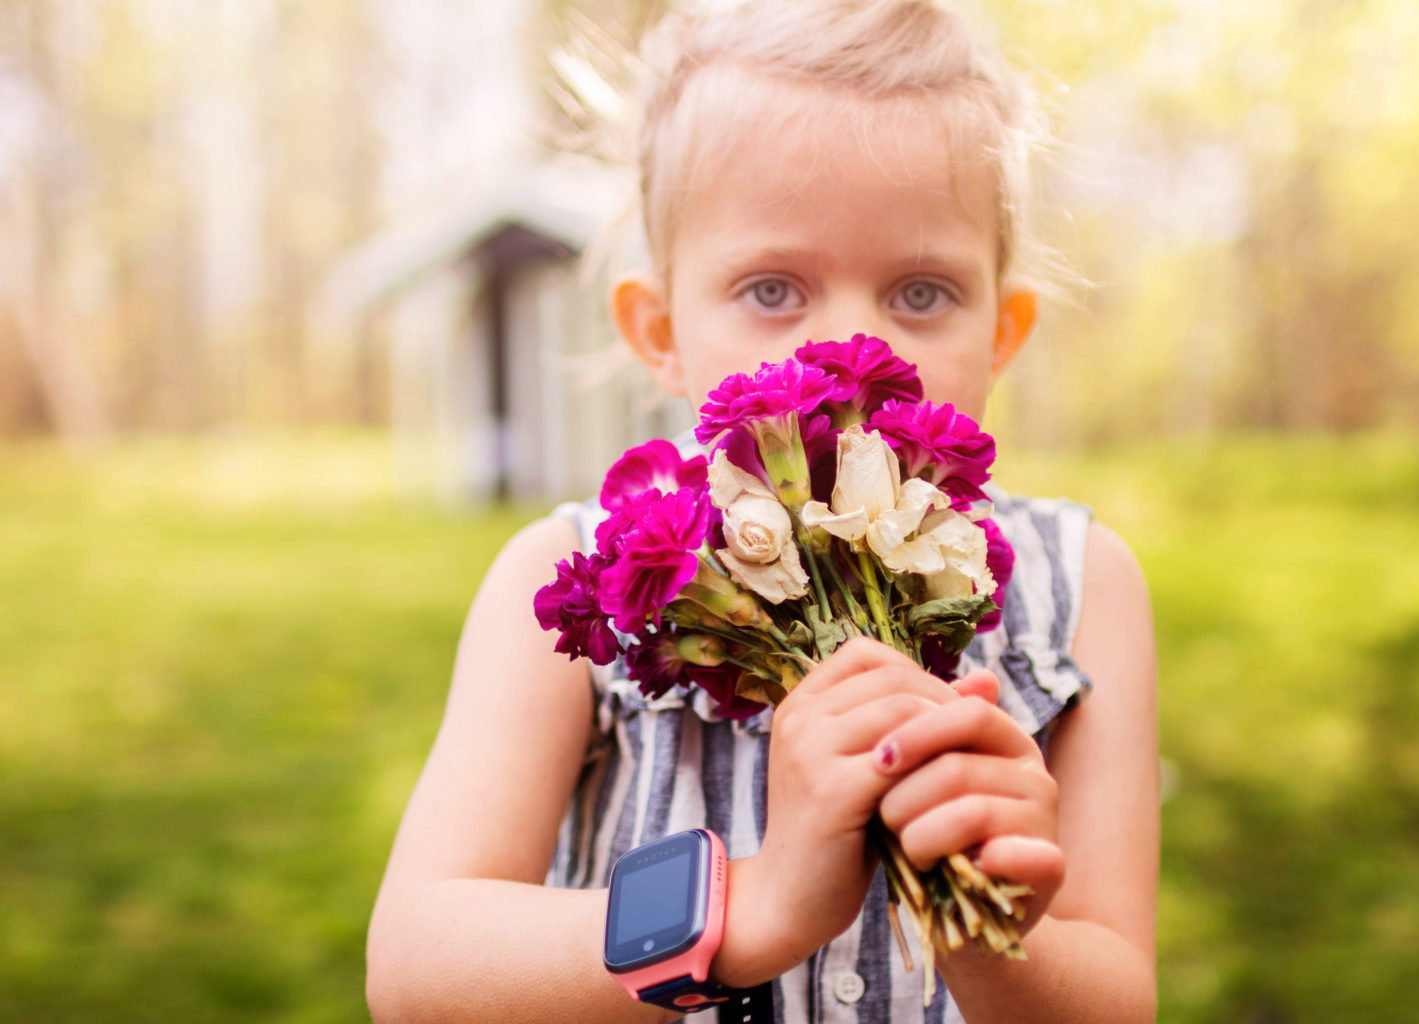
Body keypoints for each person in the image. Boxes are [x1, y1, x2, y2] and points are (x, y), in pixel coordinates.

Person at [365, 1, 1159, 1021]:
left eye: (920, 292)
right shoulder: (568, 574)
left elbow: (1117, 999)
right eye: (774, 288)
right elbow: (419, 968)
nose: (848, 347)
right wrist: (753, 909)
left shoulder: (1084, 590)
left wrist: (988, 931)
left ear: (1001, 332)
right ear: (660, 330)